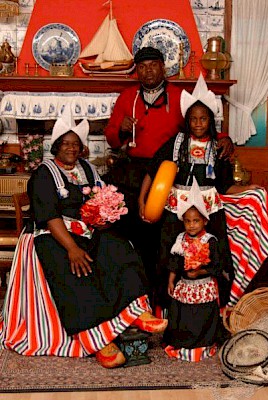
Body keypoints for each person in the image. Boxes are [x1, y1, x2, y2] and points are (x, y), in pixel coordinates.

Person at [0, 105, 168, 369]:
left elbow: (102, 200)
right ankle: (100, 341)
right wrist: (71, 248)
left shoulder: (87, 169)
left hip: (86, 231)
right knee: (74, 269)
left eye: (75, 144)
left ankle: (136, 311)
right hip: (52, 235)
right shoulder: (44, 174)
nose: (71, 148)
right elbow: (49, 217)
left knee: (119, 247)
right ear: (56, 146)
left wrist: (104, 216)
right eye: (65, 144)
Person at [104, 46, 234, 297]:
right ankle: (136, 296)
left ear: (163, 67)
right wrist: (120, 128)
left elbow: (199, 124)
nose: (148, 70)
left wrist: (225, 138)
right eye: (142, 66)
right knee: (133, 236)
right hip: (137, 171)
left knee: (164, 238)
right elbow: (111, 138)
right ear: (136, 71)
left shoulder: (178, 96)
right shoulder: (126, 97)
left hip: (169, 174)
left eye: (153, 65)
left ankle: (165, 295)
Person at [139, 74, 261, 310]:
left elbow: (225, 186)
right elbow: (152, 171)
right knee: (168, 253)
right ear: (187, 120)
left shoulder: (219, 148)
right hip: (176, 209)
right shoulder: (176, 142)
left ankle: (219, 308)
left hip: (209, 209)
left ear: (210, 120)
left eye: (203, 119)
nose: (198, 123)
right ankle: (165, 309)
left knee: (217, 253)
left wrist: (247, 189)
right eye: (193, 119)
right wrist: (142, 201)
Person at [163, 179, 223, 362]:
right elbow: (175, 260)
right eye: (188, 221)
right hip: (185, 286)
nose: (192, 225)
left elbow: (217, 267)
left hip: (203, 286)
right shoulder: (180, 238)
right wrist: (171, 280)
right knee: (184, 315)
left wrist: (200, 272)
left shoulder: (210, 241)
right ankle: (184, 342)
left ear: (205, 220)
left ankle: (203, 342)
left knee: (202, 316)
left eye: (196, 221)